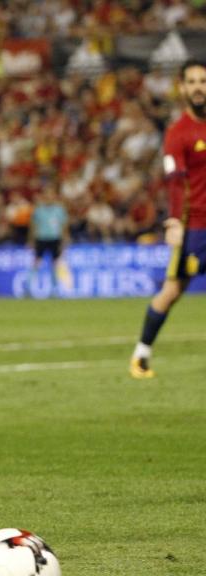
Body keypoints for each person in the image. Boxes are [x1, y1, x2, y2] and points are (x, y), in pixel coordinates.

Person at [130, 60, 206, 378]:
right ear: (182, 88)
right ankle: (141, 355)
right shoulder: (178, 133)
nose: (199, 87)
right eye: (192, 82)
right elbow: (175, 181)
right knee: (172, 291)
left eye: (203, 80)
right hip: (196, 227)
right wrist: (175, 222)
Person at [26, 186, 71, 297]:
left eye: (51, 195)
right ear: (44, 197)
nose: (49, 197)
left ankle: (54, 290)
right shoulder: (39, 210)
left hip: (55, 239)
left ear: (54, 197)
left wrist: (65, 239)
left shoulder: (59, 210)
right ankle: (28, 288)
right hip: (41, 238)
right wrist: (31, 240)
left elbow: (64, 226)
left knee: (55, 264)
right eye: (47, 195)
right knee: (36, 263)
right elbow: (33, 226)